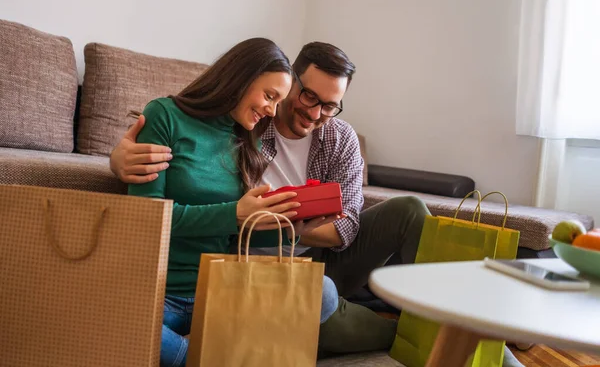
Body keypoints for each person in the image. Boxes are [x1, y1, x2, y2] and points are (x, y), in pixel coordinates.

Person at [113, 42, 524, 367]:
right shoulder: (251, 125)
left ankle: (473, 328)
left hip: (315, 256)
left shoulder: (336, 137)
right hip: (257, 265)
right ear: (292, 81)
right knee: (324, 303)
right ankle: (447, 337)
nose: (314, 113)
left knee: (407, 212)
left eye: (330, 105)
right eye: (307, 97)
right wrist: (117, 159)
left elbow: (345, 229)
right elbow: (183, 185)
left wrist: (296, 224)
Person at [127, 38, 340, 367]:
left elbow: (234, 233)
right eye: (269, 96)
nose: (272, 110)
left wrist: (290, 230)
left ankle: (212, 352)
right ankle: (204, 357)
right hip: (159, 290)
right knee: (109, 312)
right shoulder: (165, 117)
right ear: (241, 78)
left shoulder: (245, 138)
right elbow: (147, 220)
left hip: (218, 290)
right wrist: (234, 213)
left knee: (323, 293)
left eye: (278, 100)